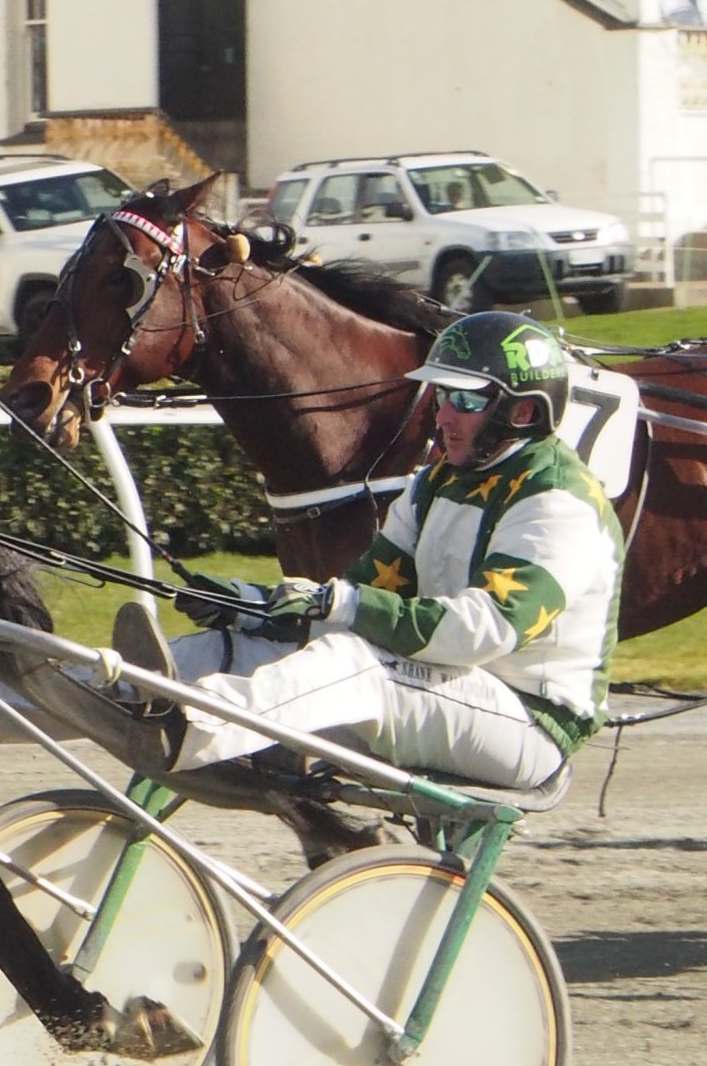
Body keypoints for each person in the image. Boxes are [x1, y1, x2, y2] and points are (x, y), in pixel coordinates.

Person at [144, 312, 621, 791]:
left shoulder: (558, 502)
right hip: (448, 685)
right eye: (439, 395)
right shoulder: (434, 484)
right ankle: (111, 685)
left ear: (522, 413)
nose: (442, 415)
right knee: (241, 648)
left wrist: (343, 604)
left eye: (465, 399)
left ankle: (196, 726)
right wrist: (250, 606)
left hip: (529, 724)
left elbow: (482, 631)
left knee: (353, 663)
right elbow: (364, 593)